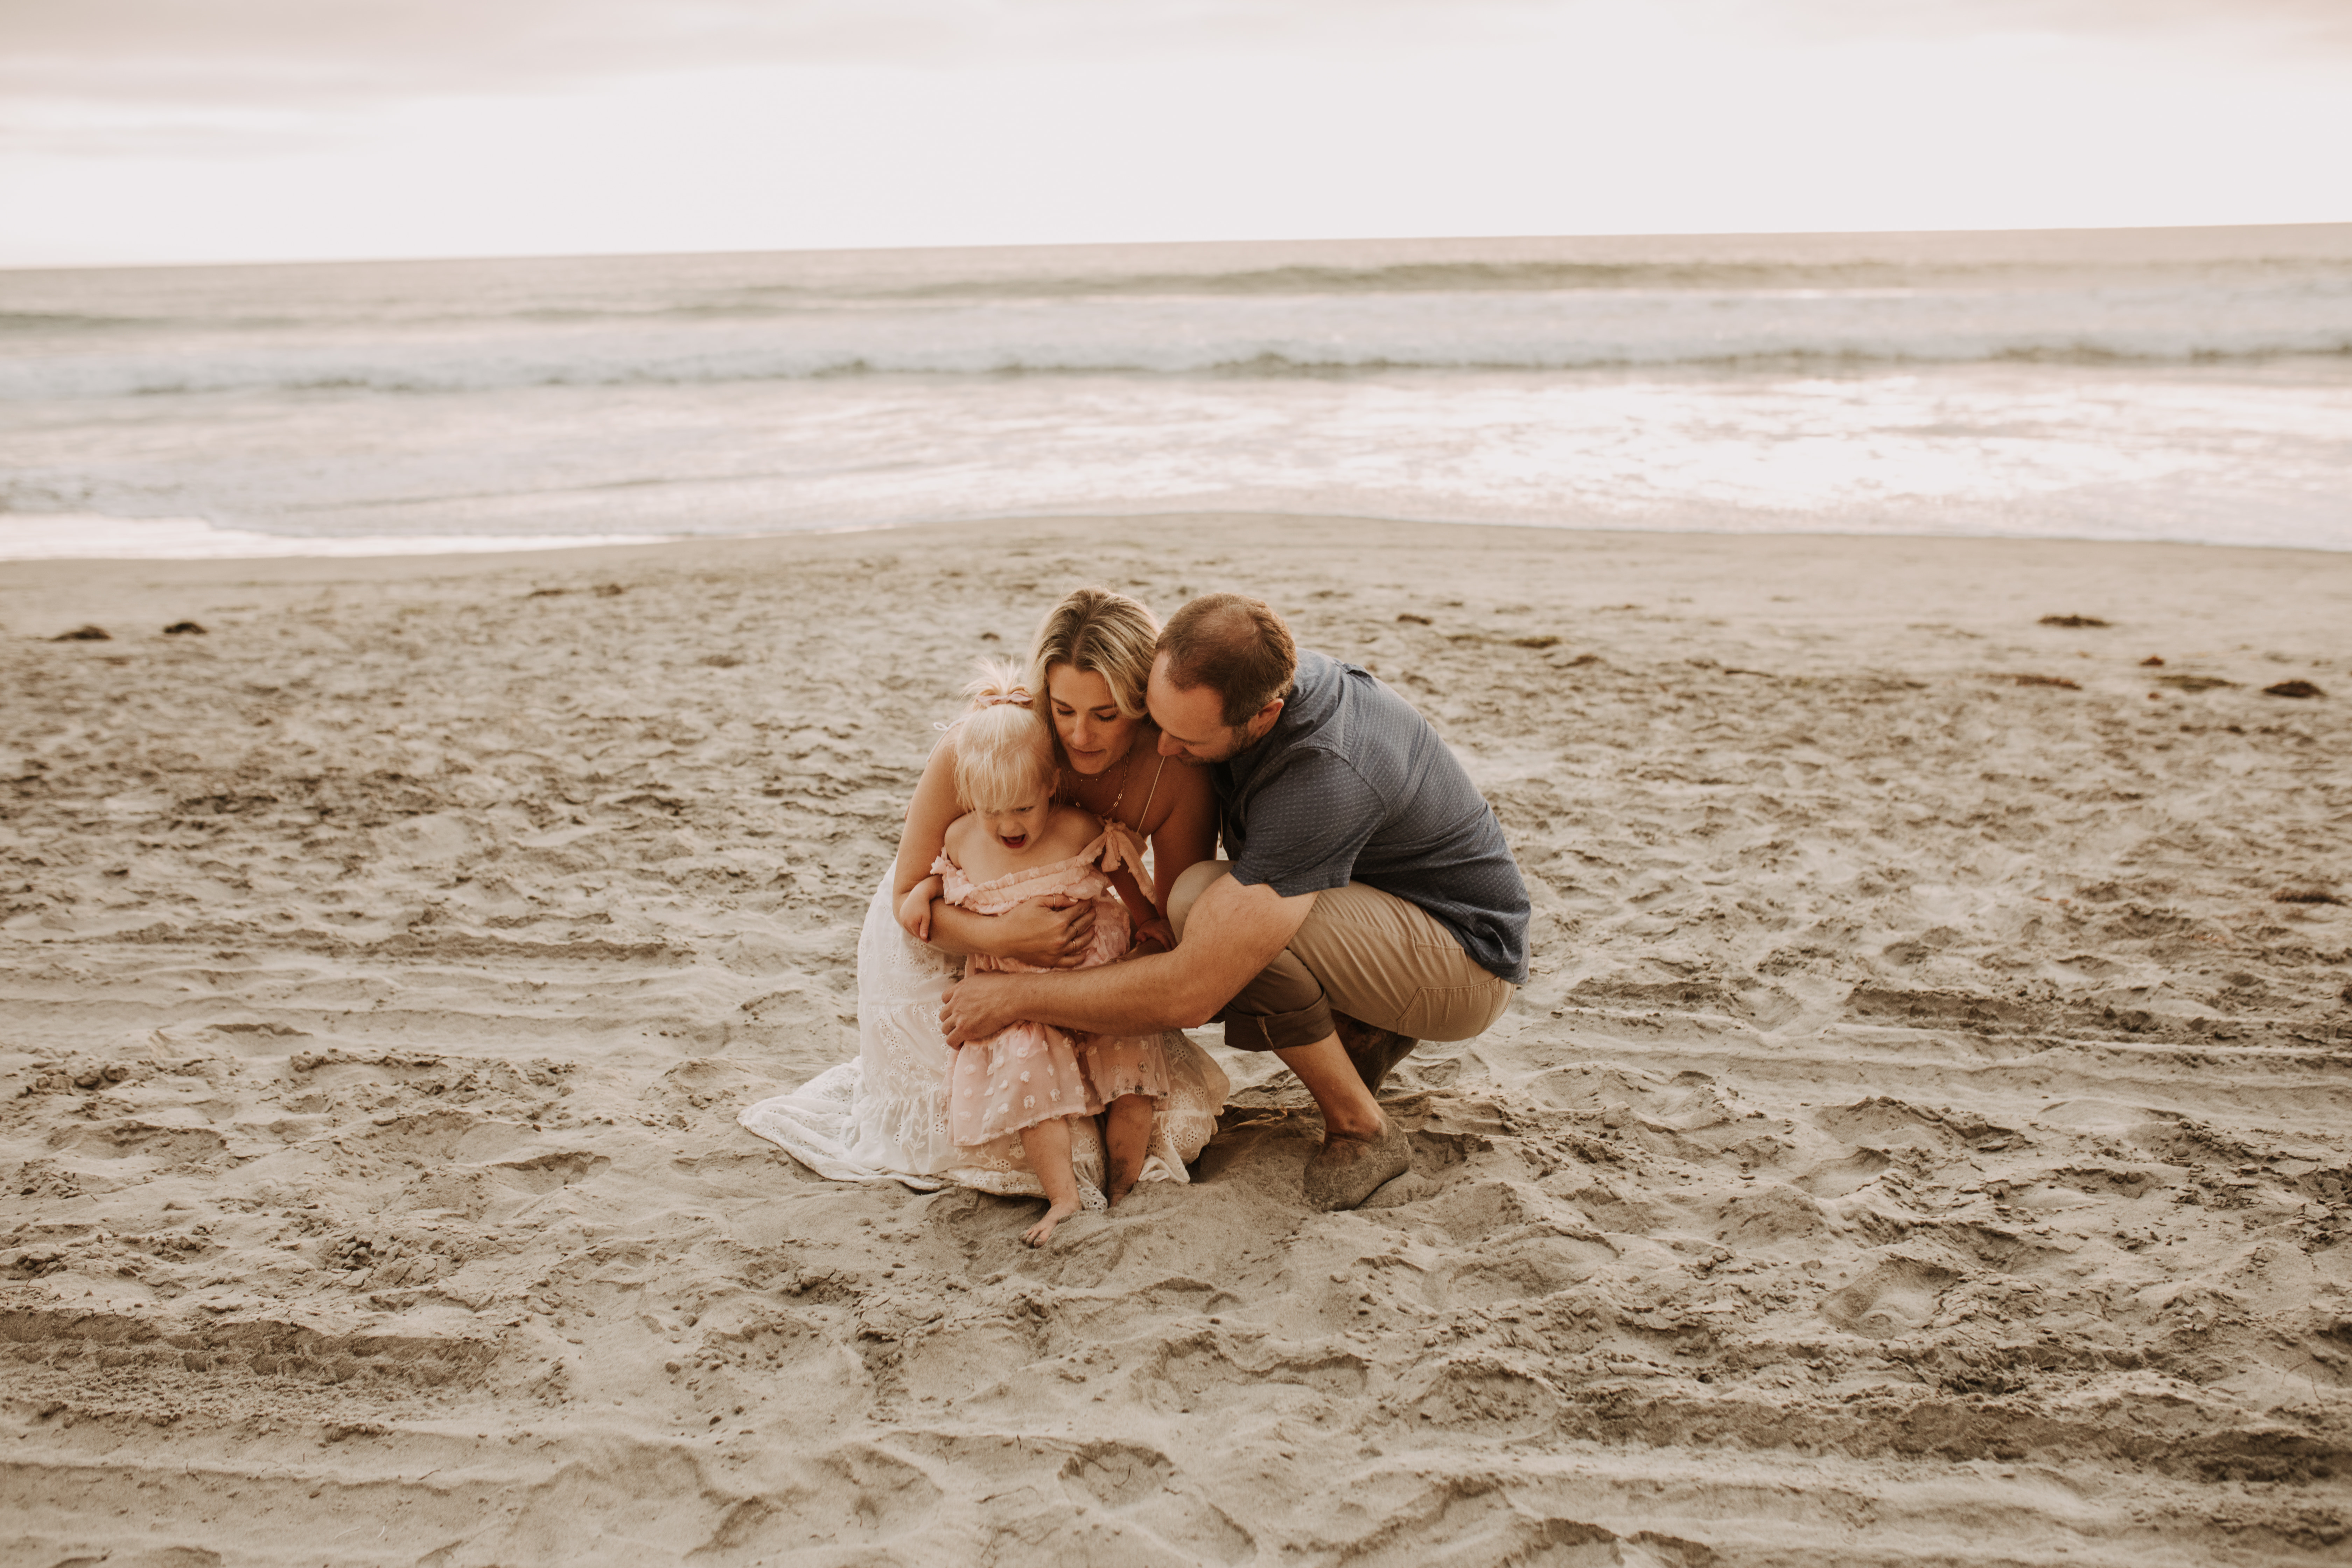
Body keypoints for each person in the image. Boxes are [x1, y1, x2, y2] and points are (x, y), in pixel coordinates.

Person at [939, 592, 1530, 1212]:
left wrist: (1013, 997)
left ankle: (1362, 1128)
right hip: (1387, 910)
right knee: (1214, 904)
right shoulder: (1248, 677)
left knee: (1206, 911)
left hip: (1466, 961)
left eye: (1182, 737)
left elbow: (1192, 992)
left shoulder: (1320, 775)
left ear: (1264, 717)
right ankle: (1366, 1030)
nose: (1162, 749)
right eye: (1155, 721)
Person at [741, 588, 1227, 1209]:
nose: (1080, 735)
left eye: (1107, 715)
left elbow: (1169, 927)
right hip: (952, 936)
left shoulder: (1175, 771)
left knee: (1146, 1118)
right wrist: (1004, 939)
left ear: (1143, 702)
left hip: (1080, 949)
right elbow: (908, 896)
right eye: (1063, 709)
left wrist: (1112, 965)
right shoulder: (993, 743)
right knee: (1036, 1140)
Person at [902, 663, 1175, 1243]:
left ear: (1052, 785)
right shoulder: (960, 839)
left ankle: (1125, 1182)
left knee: (1129, 1060)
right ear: (968, 799)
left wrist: (1149, 921)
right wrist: (926, 894)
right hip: (1014, 996)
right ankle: (1065, 1199)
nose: (1008, 826)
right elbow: (931, 880)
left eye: (1024, 808)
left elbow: (1120, 870)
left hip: (1094, 973)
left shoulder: (1077, 828)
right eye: (991, 811)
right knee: (1026, 1072)